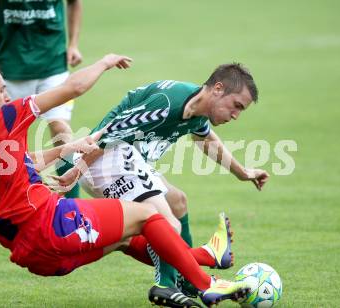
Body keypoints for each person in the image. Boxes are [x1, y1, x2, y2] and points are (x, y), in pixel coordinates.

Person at [0, 55, 249, 307]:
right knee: (149, 215)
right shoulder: (4, 117)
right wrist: (105, 62)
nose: (8, 97)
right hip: (50, 225)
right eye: (2, 91)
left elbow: (20, 162)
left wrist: (66, 149)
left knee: (125, 237)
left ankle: (206, 256)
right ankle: (205, 283)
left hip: (33, 256)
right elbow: (73, 87)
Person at [54, 63, 270, 307]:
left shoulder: (197, 110)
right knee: (169, 224)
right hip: (104, 161)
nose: (235, 116)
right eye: (236, 106)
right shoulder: (166, 104)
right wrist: (76, 170)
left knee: (178, 201)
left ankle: (186, 277)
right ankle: (167, 284)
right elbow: (107, 135)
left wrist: (242, 172)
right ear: (218, 89)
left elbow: (206, 140)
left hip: (129, 159)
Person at [0, 0, 83, 198]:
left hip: (53, 68)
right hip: (9, 75)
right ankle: (13, 199)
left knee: (60, 128)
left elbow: (74, 3)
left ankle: (74, 201)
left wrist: (73, 44)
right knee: (4, 139)